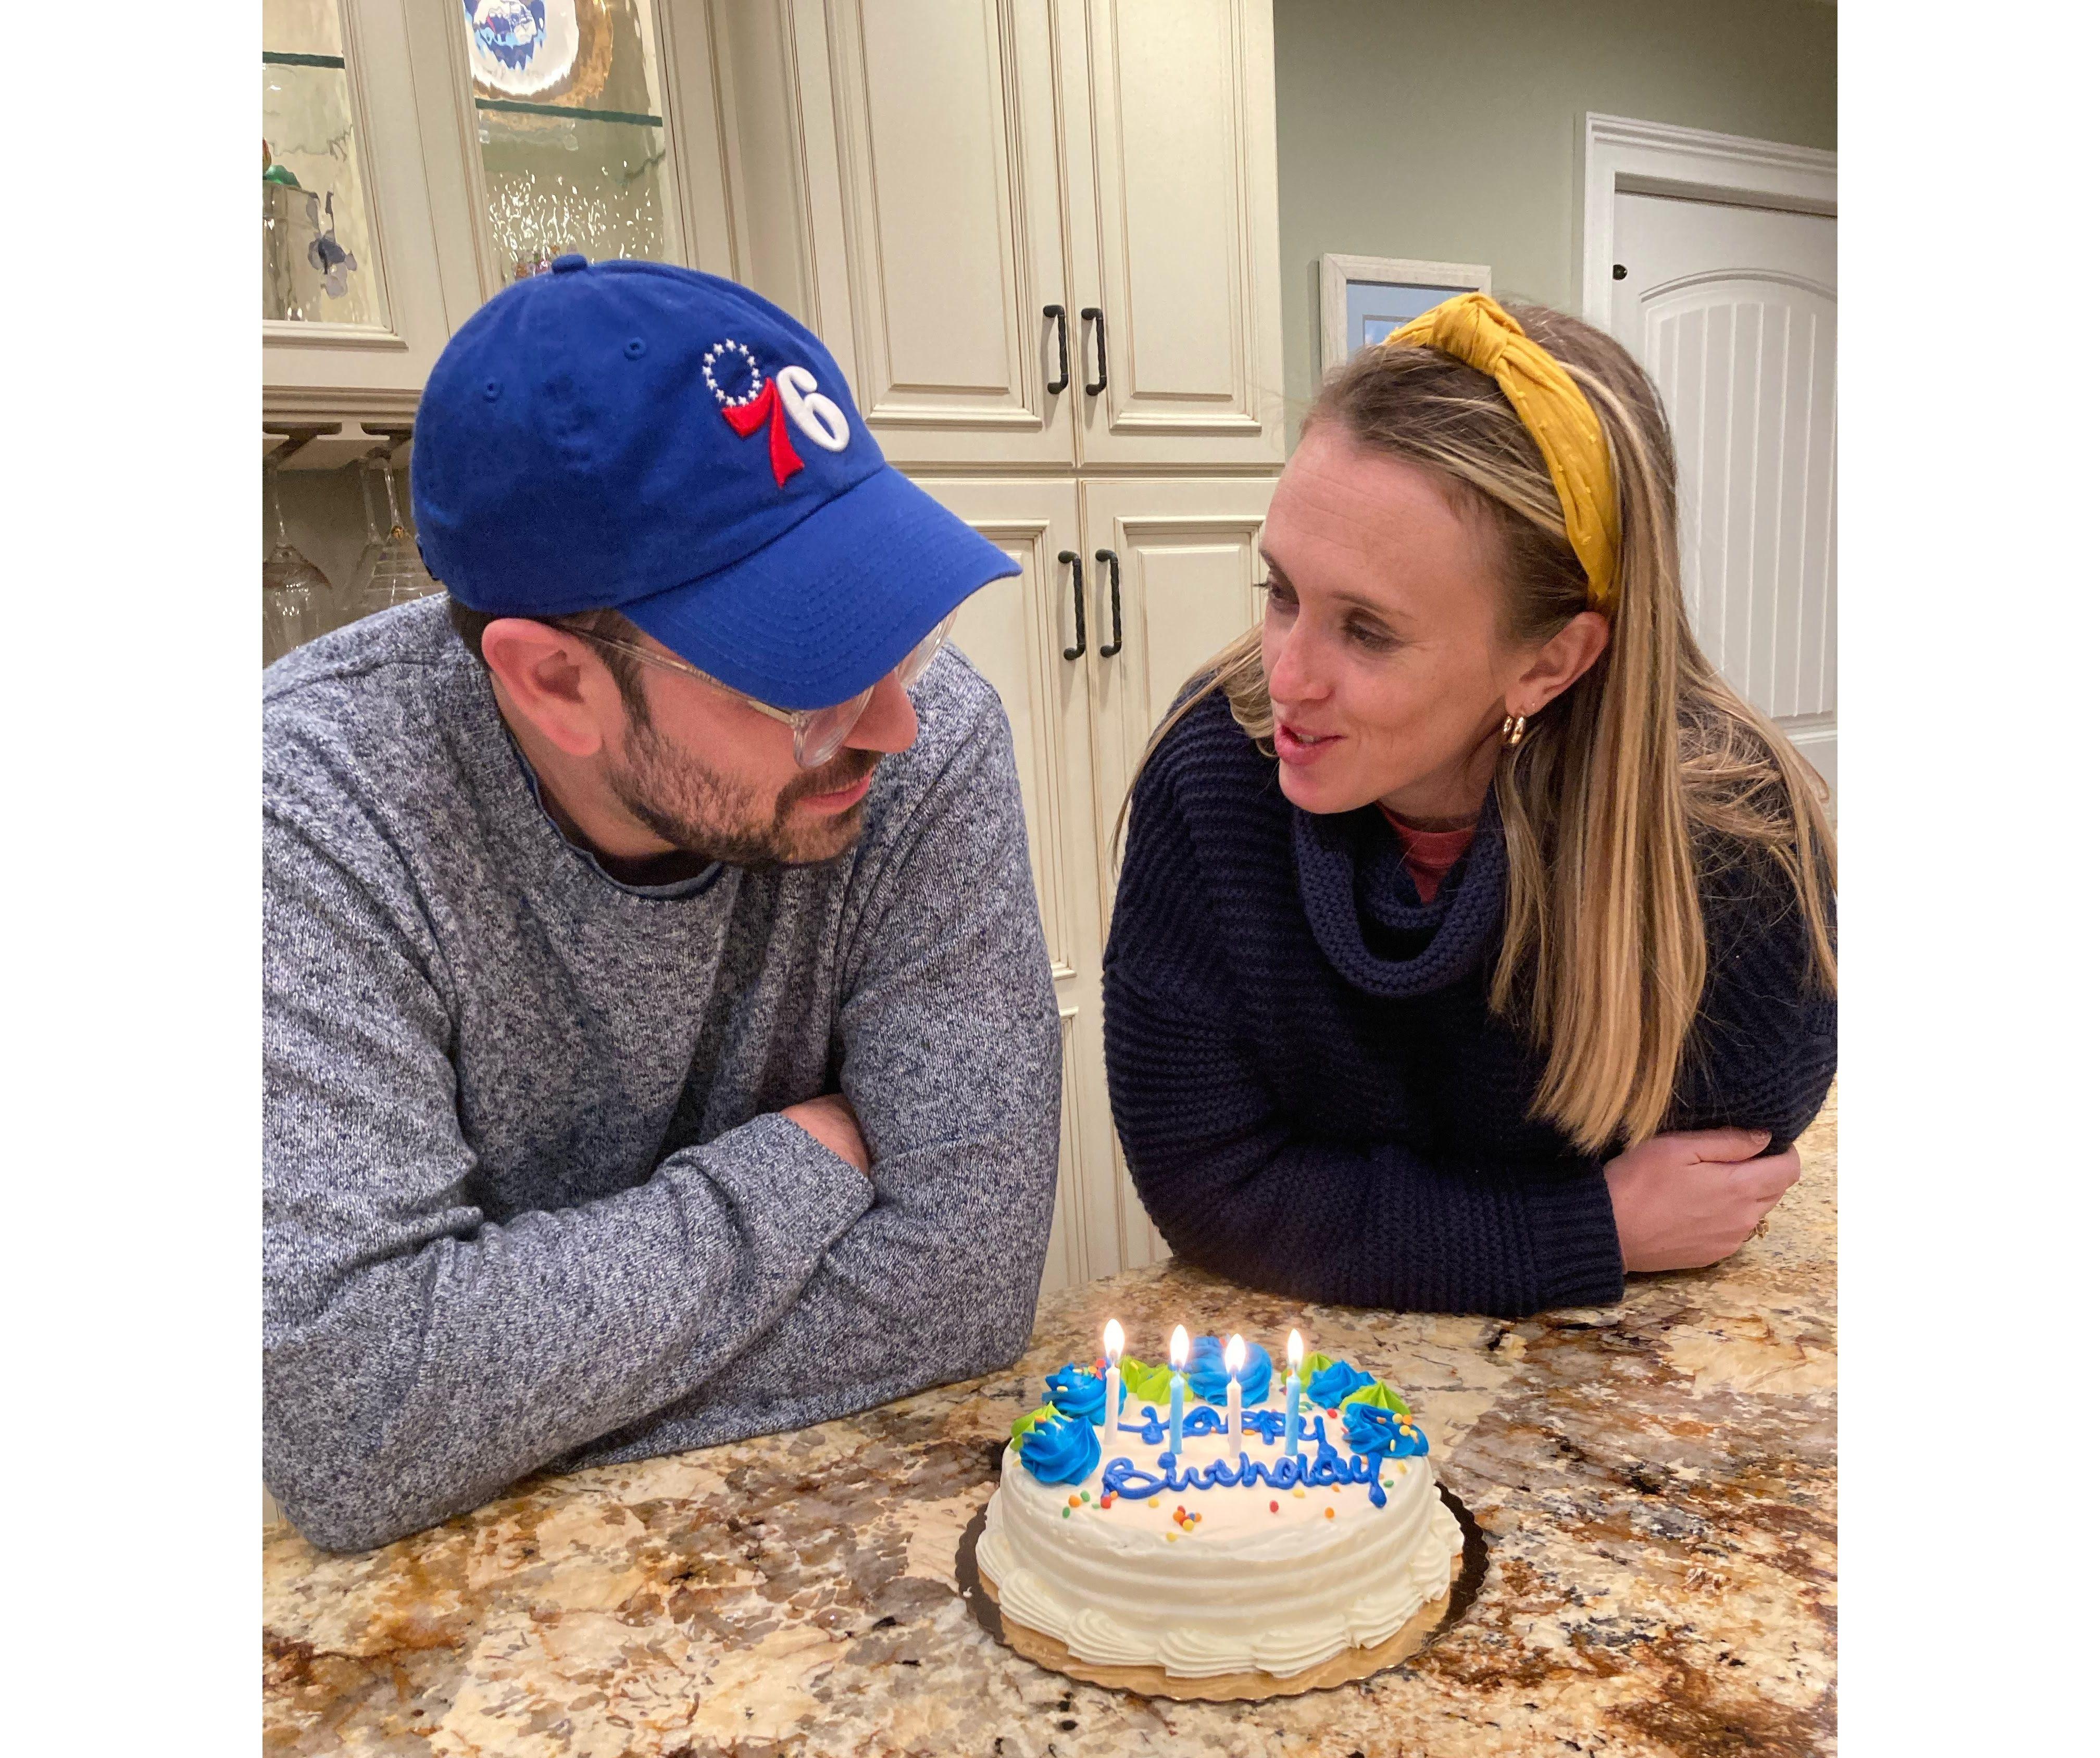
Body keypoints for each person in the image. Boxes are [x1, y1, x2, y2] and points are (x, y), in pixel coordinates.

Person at [265, 259, 1061, 1551]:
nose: (897, 721)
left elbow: (962, 1288)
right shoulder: (310, 810)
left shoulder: (929, 744)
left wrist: (494, 1414)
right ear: (554, 683)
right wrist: (797, 1169)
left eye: (893, 628)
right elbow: (354, 1412)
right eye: (805, 674)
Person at [1103, 293, 1834, 1316]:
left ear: (1549, 662)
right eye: (1281, 592)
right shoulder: (1213, 766)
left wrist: (1357, 1204)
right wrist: (1591, 1223)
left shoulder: (1736, 844)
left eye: (1367, 631)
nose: (1288, 678)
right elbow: (1211, 1182)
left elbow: (1724, 1184)